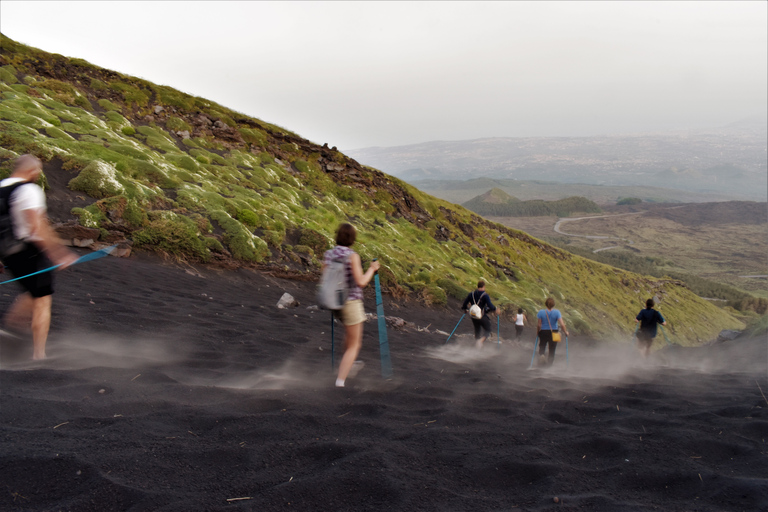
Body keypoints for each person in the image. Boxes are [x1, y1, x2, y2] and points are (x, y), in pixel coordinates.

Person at [1, 155, 77, 360]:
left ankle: (9, 330)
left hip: (8, 253)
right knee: (42, 300)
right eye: (38, 171)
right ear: (33, 171)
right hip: (29, 251)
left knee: (30, 290)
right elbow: (37, 226)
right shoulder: (29, 190)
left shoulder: (1, 187)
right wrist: (58, 253)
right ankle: (39, 355)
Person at [322, 223, 379, 388]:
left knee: (349, 335)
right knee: (355, 344)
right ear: (353, 239)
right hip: (351, 302)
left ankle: (346, 364)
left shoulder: (329, 254)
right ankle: (340, 381)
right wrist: (372, 269)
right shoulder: (352, 256)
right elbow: (361, 282)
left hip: (334, 302)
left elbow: (325, 277)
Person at [461, 280, 498, 349]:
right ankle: (480, 341)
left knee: (477, 330)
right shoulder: (485, 295)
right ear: (484, 286)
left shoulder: (471, 294)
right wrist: (495, 309)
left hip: (473, 315)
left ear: (478, 286)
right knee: (488, 330)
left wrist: (465, 309)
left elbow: (464, 304)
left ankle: (477, 346)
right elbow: (490, 305)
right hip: (481, 316)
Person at [536, 297, 568, 367]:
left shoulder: (541, 312)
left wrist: (538, 332)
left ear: (546, 304)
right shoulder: (557, 312)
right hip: (554, 332)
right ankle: (549, 365)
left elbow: (539, 325)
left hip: (543, 331)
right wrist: (565, 332)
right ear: (553, 305)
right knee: (552, 349)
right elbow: (562, 324)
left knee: (542, 345)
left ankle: (542, 355)